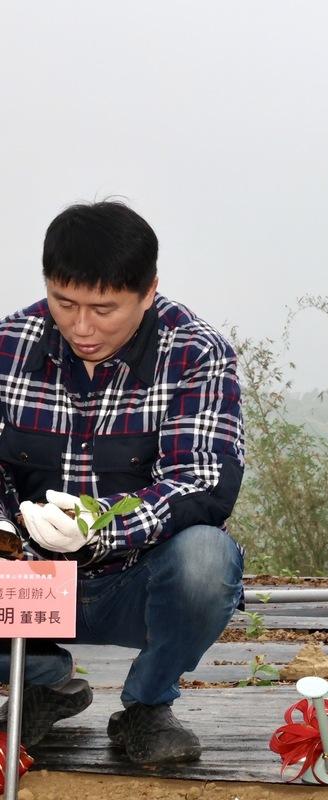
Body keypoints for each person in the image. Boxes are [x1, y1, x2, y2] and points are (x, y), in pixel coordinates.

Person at [0, 201, 245, 764]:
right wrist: (8, 534)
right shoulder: (11, 344)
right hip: (27, 580)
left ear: (149, 290)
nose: (82, 327)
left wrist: (97, 523)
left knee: (208, 559)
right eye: (65, 303)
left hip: (134, 581)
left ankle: (146, 706)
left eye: (104, 309)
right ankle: (42, 678)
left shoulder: (195, 353)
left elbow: (201, 482)